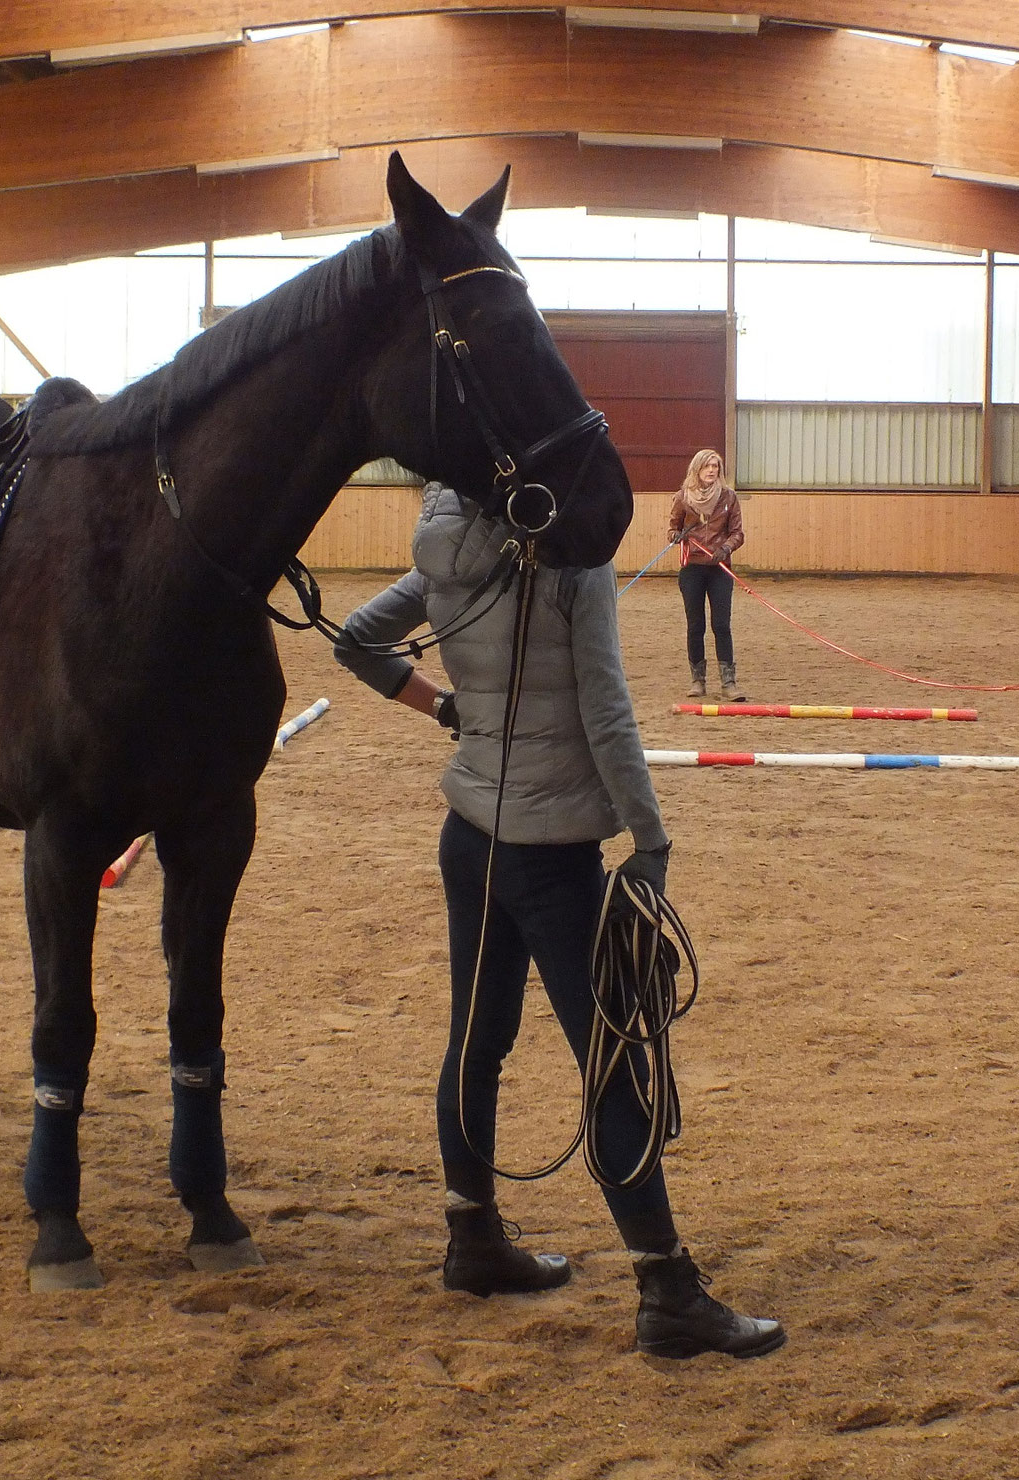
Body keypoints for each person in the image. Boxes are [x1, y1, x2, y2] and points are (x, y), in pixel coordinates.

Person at [333, 482, 784, 1361]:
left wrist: (447, 707)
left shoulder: (447, 548)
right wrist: (650, 838)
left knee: (476, 1042)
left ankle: (472, 1238)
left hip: (470, 835)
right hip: (552, 854)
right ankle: (666, 1288)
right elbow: (605, 710)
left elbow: (356, 640)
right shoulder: (574, 563)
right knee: (611, 1061)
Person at [667, 448, 747, 702]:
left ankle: (728, 682)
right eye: (707, 466)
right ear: (697, 469)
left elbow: (737, 533)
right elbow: (672, 529)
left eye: (715, 466)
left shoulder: (729, 497)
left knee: (721, 625)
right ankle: (698, 680)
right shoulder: (683, 497)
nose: (712, 470)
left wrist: (725, 549)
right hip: (692, 568)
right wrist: (676, 536)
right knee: (695, 626)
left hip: (719, 569)